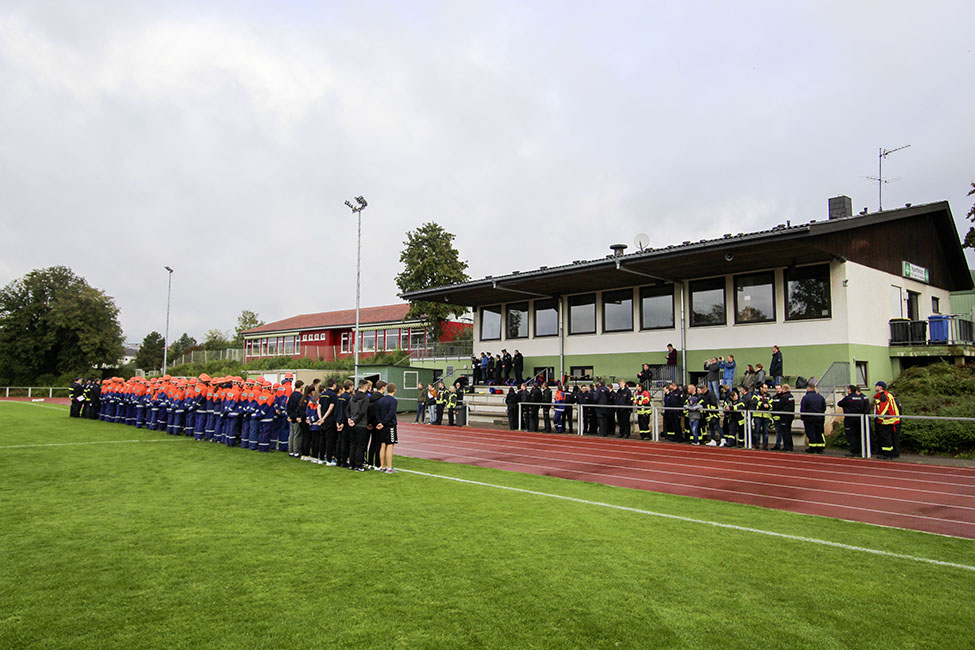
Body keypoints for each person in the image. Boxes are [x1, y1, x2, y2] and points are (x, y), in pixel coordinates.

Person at [346, 379, 371, 471]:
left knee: (353, 444)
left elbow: (347, 409)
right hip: (361, 424)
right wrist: (355, 421)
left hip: (352, 423)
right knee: (360, 445)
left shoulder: (353, 397)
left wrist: (349, 419)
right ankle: (358, 464)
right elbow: (363, 412)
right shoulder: (365, 398)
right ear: (365, 387)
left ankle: (352, 464)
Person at [837, 385, 868, 457]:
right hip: (858, 418)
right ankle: (860, 450)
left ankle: (854, 451)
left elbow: (839, 404)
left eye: (848, 389)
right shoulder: (860, 398)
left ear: (850, 390)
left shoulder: (848, 398)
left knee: (851, 435)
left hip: (850, 419)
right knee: (858, 435)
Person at [873, 381, 901, 459]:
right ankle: (890, 453)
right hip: (891, 420)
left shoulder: (883, 396)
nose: (875, 387)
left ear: (880, 387)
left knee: (885, 437)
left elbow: (883, 409)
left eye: (876, 386)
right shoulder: (886, 395)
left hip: (887, 421)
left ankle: (887, 454)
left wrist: (879, 418)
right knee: (889, 437)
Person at [375, 382, 399, 473]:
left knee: (383, 444)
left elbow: (377, 412)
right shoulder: (393, 400)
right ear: (394, 390)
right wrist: (384, 423)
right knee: (390, 445)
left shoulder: (381, 400)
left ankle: (382, 466)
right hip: (390, 425)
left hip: (382, 425)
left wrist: (380, 422)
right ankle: (389, 467)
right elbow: (391, 413)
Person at [800, 380, 827, 454]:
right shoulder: (821, 397)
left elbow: (803, 409)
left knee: (811, 433)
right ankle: (820, 448)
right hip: (819, 418)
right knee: (819, 433)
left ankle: (812, 448)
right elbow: (824, 408)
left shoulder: (806, 398)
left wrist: (803, 417)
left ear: (808, 388)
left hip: (809, 419)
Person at [769, 383, 795, 451]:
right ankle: (789, 446)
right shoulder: (791, 396)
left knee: (785, 432)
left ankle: (787, 447)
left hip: (784, 417)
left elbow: (779, 406)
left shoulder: (784, 397)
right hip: (789, 416)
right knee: (788, 432)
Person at [320, 378, 339, 464]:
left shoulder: (323, 394)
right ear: (334, 385)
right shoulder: (333, 395)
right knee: (329, 440)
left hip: (322, 419)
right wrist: (324, 418)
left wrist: (321, 418)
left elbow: (319, 407)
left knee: (322, 439)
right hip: (330, 419)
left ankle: (321, 458)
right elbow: (331, 408)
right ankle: (329, 459)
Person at [286, 379, 305, 457]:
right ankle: (296, 451)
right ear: (301, 386)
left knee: (291, 434)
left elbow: (288, 406)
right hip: (296, 417)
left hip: (291, 416)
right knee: (297, 435)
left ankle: (290, 450)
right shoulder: (300, 396)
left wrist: (289, 415)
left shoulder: (292, 395)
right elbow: (298, 407)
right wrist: (298, 416)